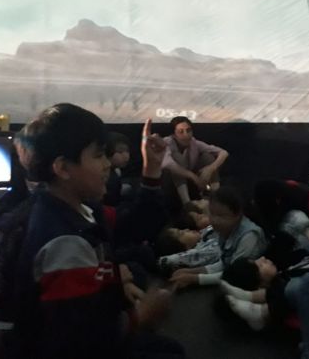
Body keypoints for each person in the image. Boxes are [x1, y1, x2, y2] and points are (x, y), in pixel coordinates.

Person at [11, 103, 185, 359]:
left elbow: (137, 224)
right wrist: (142, 316)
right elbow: (80, 343)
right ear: (63, 168)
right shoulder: (65, 243)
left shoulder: (78, 209)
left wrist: (151, 169)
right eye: (99, 155)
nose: (107, 164)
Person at [169, 186, 267, 288]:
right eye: (211, 213)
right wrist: (192, 271)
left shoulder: (249, 236)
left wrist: (194, 278)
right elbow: (225, 263)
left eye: (221, 216)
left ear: (237, 215)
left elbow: (234, 275)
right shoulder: (224, 230)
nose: (214, 221)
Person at [162, 116, 228, 205]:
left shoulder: (193, 143)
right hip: (171, 183)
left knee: (208, 157)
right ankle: (187, 204)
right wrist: (192, 176)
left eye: (188, 130)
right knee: (177, 159)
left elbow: (223, 153)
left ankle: (215, 199)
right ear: (173, 135)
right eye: (181, 132)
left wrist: (210, 168)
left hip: (193, 182)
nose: (186, 135)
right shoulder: (167, 142)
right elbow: (168, 164)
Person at [103, 131, 131, 207]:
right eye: (120, 152)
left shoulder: (116, 170)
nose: (126, 155)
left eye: (127, 151)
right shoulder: (109, 177)